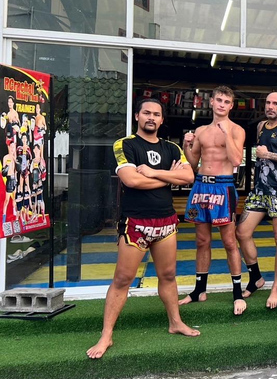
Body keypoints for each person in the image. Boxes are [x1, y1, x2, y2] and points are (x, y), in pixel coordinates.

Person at [86, 99, 198, 359]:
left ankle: (175, 322)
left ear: (161, 120)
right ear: (137, 115)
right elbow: (131, 180)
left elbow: (189, 177)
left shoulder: (172, 148)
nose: (151, 117)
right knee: (123, 279)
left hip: (166, 222)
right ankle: (107, 335)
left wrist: (151, 172)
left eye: (156, 114)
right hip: (135, 223)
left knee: (168, 275)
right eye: (146, 112)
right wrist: (168, 176)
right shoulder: (125, 144)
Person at [179, 86, 247, 315]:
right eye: (218, 100)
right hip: (201, 185)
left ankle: (237, 292)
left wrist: (226, 134)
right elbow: (193, 161)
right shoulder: (200, 131)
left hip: (224, 185)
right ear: (211, 102)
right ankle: (199, 289)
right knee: (201, 241)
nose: (221, 104)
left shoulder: (237, 130)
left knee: (229, 241)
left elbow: (237, 159)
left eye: (226, 101)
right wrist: (187, 144)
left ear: (231, 106)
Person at [236, 92, 277, 309]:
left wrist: (269, 155)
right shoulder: (261, 126)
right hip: (260, 190)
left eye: (276, 103)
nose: (270, 106)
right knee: (242, 232)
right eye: (268, 102)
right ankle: (256, 277)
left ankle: (276, 288)